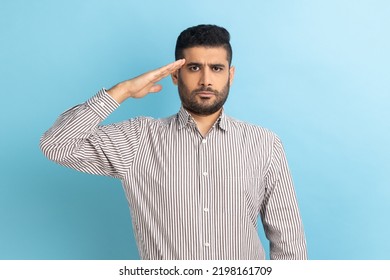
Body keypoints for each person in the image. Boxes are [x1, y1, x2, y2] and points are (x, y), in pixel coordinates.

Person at [40, 24, 307, 260]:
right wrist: (122, 91)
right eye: (194, 68)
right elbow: (57, 145)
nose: (206, 80)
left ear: (231, 74)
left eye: (216, 68)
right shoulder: (138, 139)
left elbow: (289, 243)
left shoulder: (264, 144)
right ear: (175, 75)